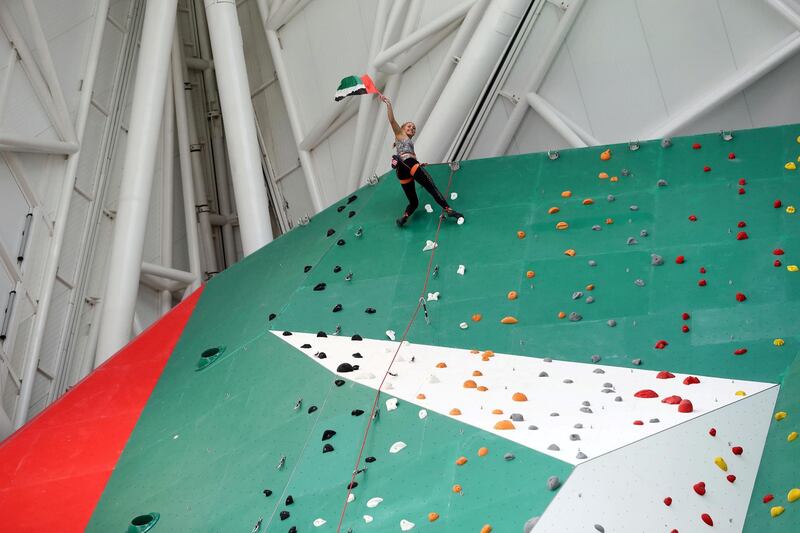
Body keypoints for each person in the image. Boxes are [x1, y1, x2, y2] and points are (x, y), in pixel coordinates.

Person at [379, 95, 463, 227]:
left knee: (414, 202)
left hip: (402, 172)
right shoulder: (400, 134)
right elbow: (392, 120)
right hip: (408, 163)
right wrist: (388, 104)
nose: (411, 128)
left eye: (413, 128)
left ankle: (404, 217)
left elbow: (410, 157)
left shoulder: (407, 143)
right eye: (409, 126)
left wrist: (417, 163)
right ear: (402, 129)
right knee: (431, 187)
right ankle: (449, 210)